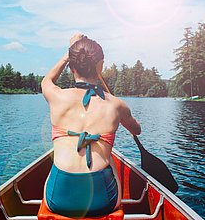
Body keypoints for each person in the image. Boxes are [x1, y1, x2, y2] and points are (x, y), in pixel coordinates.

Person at [41, 33, 141, 217]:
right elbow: (137, 130)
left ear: (71, 66)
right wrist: (125, 119)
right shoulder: (117, 105)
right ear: (100, 66)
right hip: (102, 202)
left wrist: (68, 53)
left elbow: (46, 81)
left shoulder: (56, 96)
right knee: (109, 158)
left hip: (58, 200)